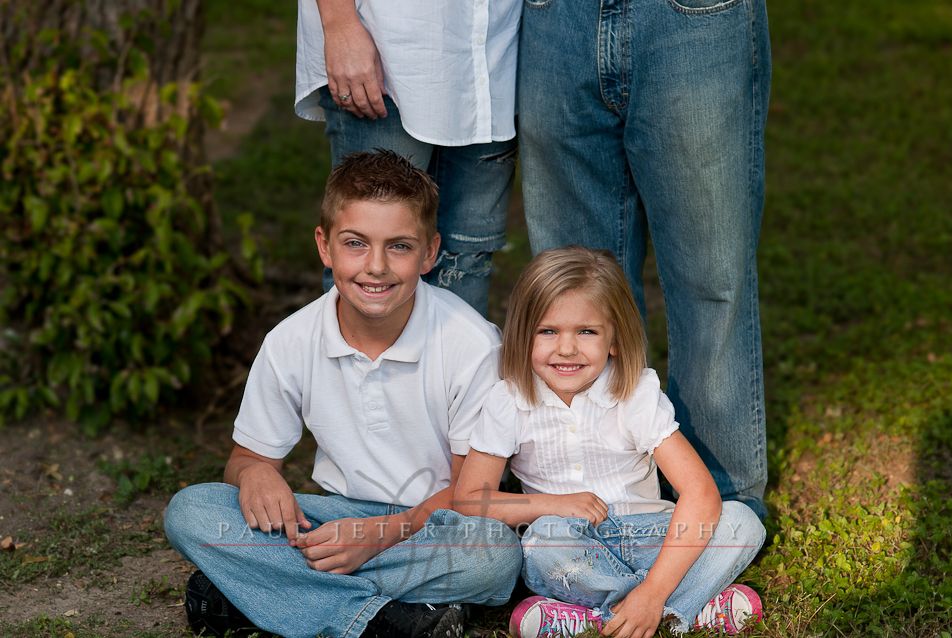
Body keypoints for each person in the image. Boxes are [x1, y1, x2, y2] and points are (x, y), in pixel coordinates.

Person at [164, 151, 522, 638]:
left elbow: (467, 493)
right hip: (334, 517)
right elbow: (246, 458)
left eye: (398, 246)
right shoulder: (291, 340)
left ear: (430, 252)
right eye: (355, 243)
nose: (375, 267)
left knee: (495, 555)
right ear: (325, 246)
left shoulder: (472, 344)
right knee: (192, 511)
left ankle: (255, 595)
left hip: (438, 521)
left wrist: (375, 539)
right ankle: (380, 621)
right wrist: (253, 474)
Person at [517, 0, 772, 518]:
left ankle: (716, 503)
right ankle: (587, 499)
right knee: (571, 289)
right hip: (555, 16)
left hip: (694, 17)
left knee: (710, 278)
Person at [454, 247, 765, 637]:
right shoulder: (509, 400)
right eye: (548, 331)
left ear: (614, 339)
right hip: (575, 540)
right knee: (541, 544)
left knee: (742, 524)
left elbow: (700, 493)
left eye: (586, 331)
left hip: (654, 535)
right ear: (523, 335)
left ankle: (628, 612)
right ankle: (686, 607)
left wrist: (652, 589)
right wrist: (552, 505)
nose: (566, 348)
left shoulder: (634, 392)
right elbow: (469, 499)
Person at [295, 0, 522, 316]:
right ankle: (356, 366)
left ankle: (454, 367)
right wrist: (339, 23)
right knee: (368, 260)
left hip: (491, 52)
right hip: (387, 47)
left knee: (466, 261)